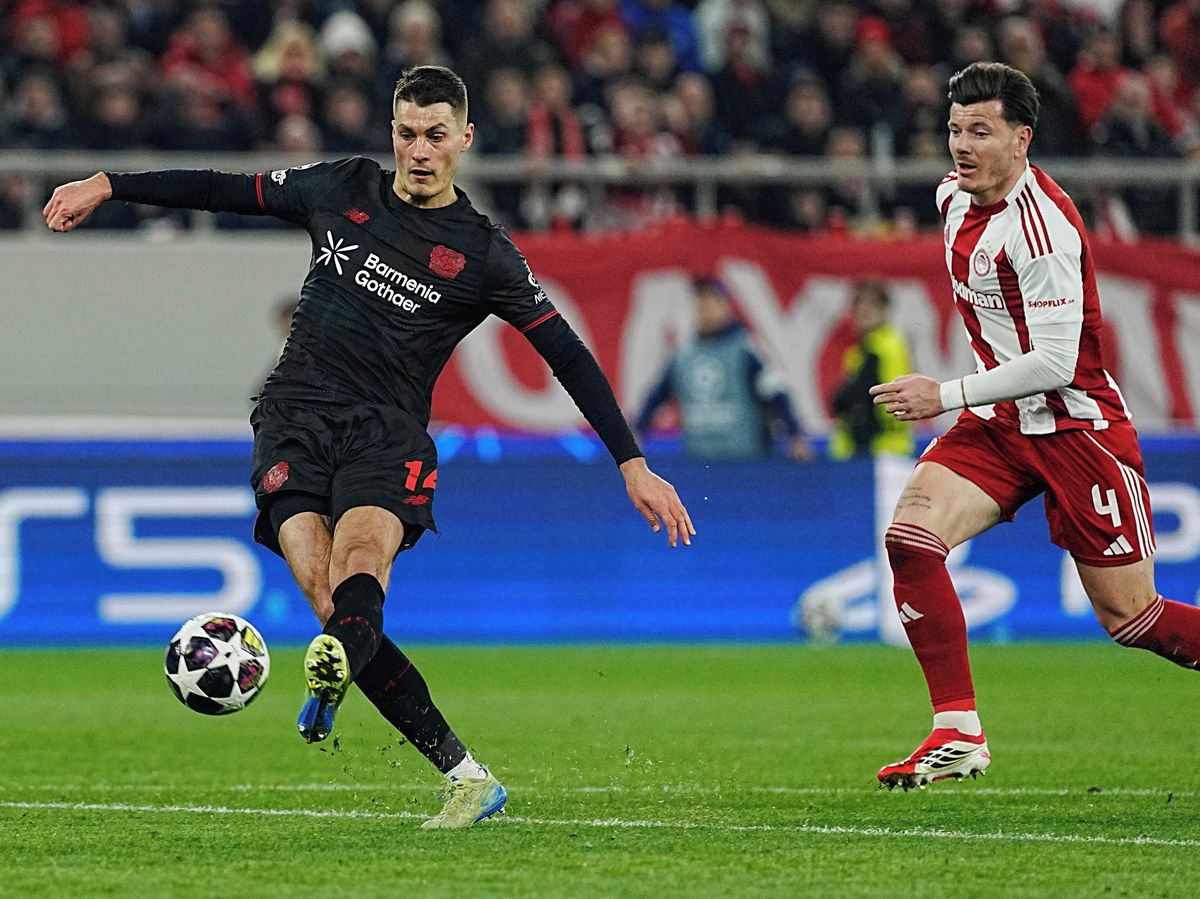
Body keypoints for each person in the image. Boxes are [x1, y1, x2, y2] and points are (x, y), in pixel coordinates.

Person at [43, 65, 693, 827]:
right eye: (408, 134)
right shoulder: (341, 186)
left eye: (436, 136)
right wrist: (108, 184)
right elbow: (222, 188)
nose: (420, 151)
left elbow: (568, 356)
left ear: (465, 139)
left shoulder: (482, 253)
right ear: (392, 133)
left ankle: (453, 769)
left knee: (359, 565)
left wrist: (632, 462)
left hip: (385, 432)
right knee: (331, 602)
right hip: (292, 417)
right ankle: (452, 761)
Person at [868, 61, 1200, 791]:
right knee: (911, 539)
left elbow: (1055, 362)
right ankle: (958, 732)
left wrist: (943, 394)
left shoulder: (1042, 231)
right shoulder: (951, 198)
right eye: (955, 129)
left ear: (1021, 139)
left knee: (1133, 618)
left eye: (981, 131)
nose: (962, 145)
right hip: (998, 424)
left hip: (1078, 431)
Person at [635, 276, 810, 462]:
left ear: (726, 306)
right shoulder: (682, 356)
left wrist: (794, 434)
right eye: (701, 303)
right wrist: (637, 431)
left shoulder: (747, 349)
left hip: (745, 457)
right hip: (699, 458)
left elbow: (775, 393)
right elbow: (657, 395)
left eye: (711, 302)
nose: (705, 308)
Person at [829, 280, 914, 460]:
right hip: (879, 447)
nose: (864, 311)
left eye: (871, 306)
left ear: (884, 310)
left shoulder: (882, 348)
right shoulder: (861, 350)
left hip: (880, 449)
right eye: (860, 307)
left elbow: (856, 396)